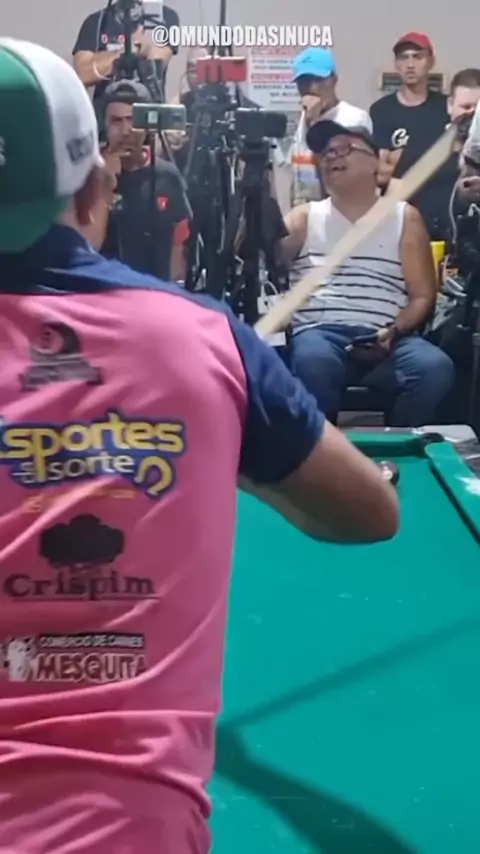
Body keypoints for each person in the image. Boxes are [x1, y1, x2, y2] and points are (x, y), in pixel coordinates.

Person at [0, 37, 399, 854]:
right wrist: (224, 444)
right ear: (97, 186)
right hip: (129, 830)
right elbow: (369, 511)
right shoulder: (200, 339)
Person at [283, 119, 454, 426]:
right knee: (312, 360)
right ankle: (322, 450)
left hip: (387, 338)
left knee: (434, 367)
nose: (332, 156)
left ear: (375, 162)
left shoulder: (404, 217)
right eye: (326, 152)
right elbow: (262, 256)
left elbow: (422, 296)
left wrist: (393, 332)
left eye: (344, 149)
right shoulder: (304, 218)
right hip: (321, 334)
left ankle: (397, 445)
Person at [100, 79, 190, 281]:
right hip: (105, 289)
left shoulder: (167, 175)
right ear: (104, 124)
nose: (126, 131)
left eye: (133, 120)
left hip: (154, 291)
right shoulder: (92, 174)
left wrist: (174, 287)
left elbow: (179, 238)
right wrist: (105, 183)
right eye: (116, 121)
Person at [369, 32, 449, 237]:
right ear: (396, 64)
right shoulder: (381, 110)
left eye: (417, 57)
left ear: (430, 62)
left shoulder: (446, 108)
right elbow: (380, 171)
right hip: (400, 217)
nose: (410, 65)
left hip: (443, 216)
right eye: (404, 58)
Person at [289, 47, 372, 207]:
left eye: (318, 79)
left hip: (341, 212)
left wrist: (315, 125)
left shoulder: (354, 118)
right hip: (306, 212)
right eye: (304, 81)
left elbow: (350, 178)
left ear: (334, 79)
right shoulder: (303, 117)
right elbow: (299, 174)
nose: (312, 88)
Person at [72, 0, 179, 113]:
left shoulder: (166, 17)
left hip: (147, 111)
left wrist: (105, 59)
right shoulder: (97, 21)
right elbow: (83, 74)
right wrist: (130, 49)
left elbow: (155, 63)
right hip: (107, 114)